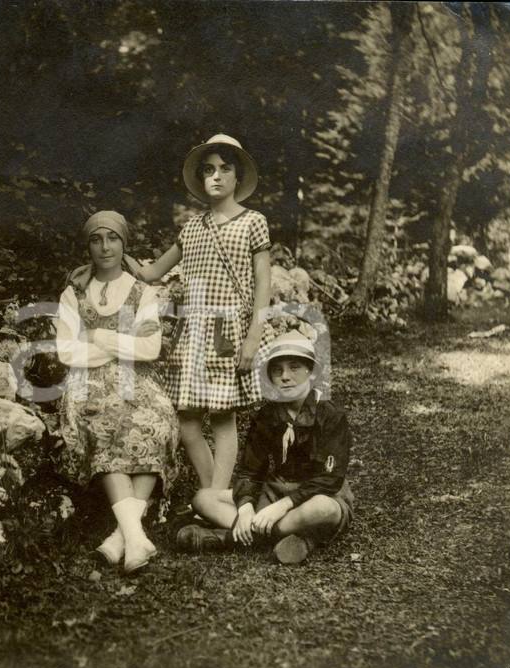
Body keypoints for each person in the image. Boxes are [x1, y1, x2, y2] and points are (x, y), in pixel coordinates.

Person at [71, 134, 272, 506]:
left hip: (228, 330)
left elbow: (263, 286)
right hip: (191, 332)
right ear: (201, 178)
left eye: (225, 169)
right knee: (187, 421)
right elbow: (150, 273)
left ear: (237, 177)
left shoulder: (253, 223)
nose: (216, 176)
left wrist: (253, 337)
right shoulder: (193, 227)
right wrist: (92, 265)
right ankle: (216, 495)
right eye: (208, 170)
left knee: (222, 418)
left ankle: (213, 497)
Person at [55, 210, 180, 574]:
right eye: (96, 239)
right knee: (108, 422)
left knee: (155, 422)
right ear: (88, 246)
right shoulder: (72, 293)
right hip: (87, 385)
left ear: (124, 243)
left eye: (112, 238)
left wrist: (97, 337)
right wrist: (124, 342)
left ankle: (122, 538)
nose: (105, 246)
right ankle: (135, 536)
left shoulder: (142, 291)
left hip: (137, 380)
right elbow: (67, 352)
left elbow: (150, 350)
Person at [177, 332, 355, 564]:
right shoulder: (266, 416)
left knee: (324, 510)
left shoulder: (331, 416)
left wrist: (282, 507)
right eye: (277, 370)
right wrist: (245, 509)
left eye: (294, 368)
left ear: (311, 373)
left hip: (317, 495)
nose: (285, 377)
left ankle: (230, 538)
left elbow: (330, 480)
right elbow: (250, 471)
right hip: (276, 489)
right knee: (203, 499)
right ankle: (288, 536)